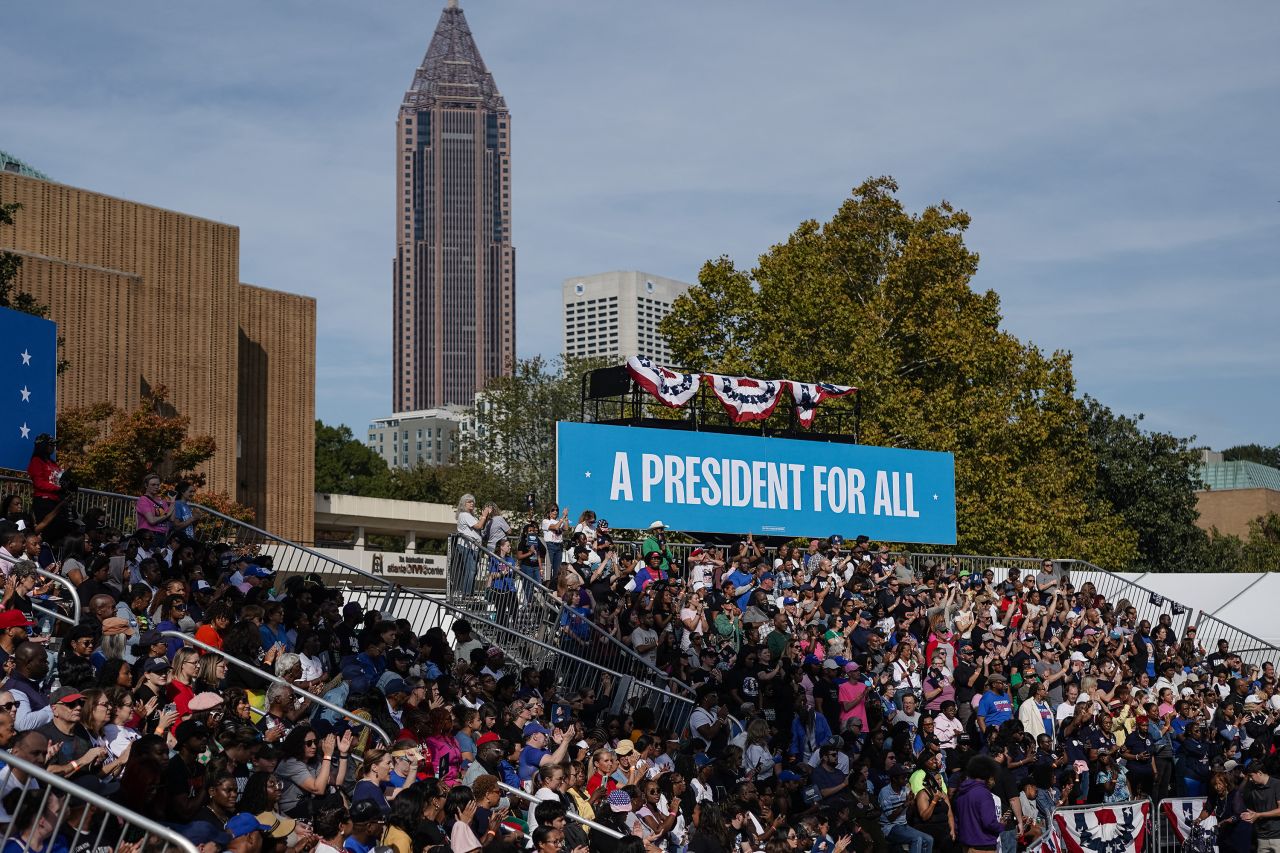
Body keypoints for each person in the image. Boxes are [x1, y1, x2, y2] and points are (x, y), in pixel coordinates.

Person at [1242, 763, 1280, 853]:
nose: (1250, 779)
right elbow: (1252, 810)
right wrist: (1250, 815)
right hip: (1261, 837)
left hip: (1278, 837)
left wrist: (1259, 815)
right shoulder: (1251, 788)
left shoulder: (1277, 785)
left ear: (1259, 773)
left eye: (1251, 776)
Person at [135, 474, 173, 543]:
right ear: (146, 485)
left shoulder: (162, 501)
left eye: (158, 485)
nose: (156, 487)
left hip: (163, 536)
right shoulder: (143, 500)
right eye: (153, 485)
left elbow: (172, 519)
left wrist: (173, 502)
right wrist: (166, 515)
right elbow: (151, 520)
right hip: (149, 536)